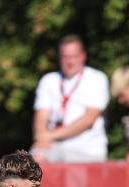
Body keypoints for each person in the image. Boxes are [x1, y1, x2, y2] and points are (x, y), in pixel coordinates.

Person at [32, 35, 109, 163]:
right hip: (53, 145)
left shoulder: (97, 79)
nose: (70, 61)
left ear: (83, 56)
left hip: (86, 149)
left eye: (74, 56)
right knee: (31, 165)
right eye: (65, 57)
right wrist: (41, 139)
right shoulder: (49, 80)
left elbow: (88, 119)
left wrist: (49, 135)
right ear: (59, 58)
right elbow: (41, 116)